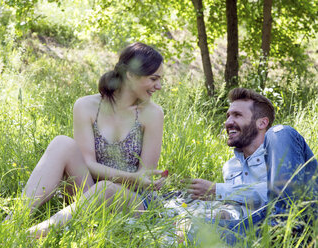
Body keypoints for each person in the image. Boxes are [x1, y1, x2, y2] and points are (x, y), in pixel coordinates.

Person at [19, 42, 166, 238]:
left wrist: (139, 180)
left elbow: (143, 178)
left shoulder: (153, 114)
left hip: (133, 202)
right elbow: (88, 163)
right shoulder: (86, 105)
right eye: (153, 78)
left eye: (160, 79)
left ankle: (33, 235)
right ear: (131, 75)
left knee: (105, 188)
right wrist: (123, 179)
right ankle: (14, 220)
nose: (159, 86)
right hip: (86, 193)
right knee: (62, 143)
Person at [177, 88, 317, 244]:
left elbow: (291, 191)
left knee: (281, 131)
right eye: (228, 116)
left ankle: (284, 225)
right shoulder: (230, 168)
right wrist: (225, 213)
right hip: (260, 231)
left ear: (262, 122)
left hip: (307, 217)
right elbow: (244, 209)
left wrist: (218, 190)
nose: (228, 122)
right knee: (193, 228)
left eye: (237, 115)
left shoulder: (282, 147)